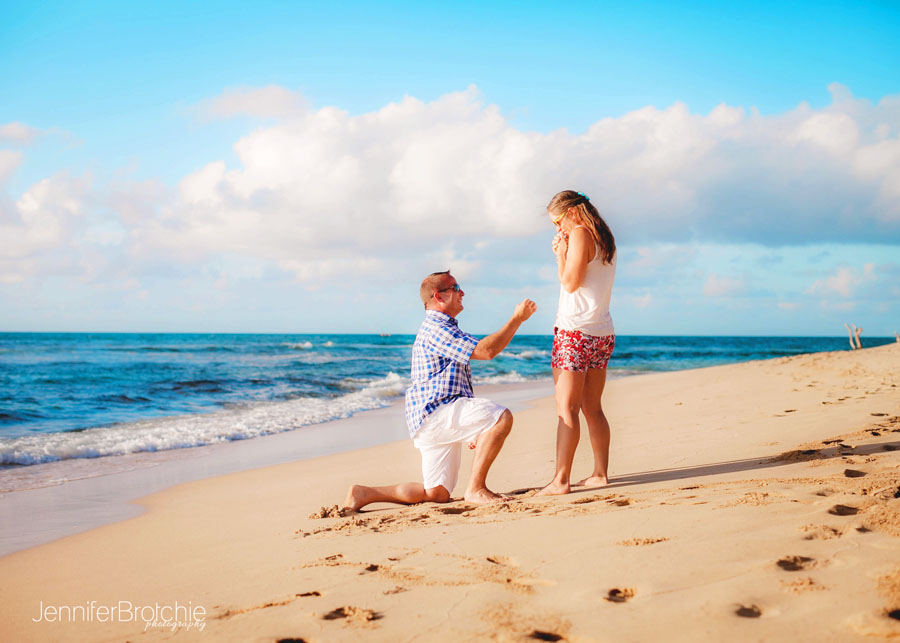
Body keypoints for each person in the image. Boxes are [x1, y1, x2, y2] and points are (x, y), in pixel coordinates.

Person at [343, 271, 537, 511]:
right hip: (437, 413)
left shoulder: (443, 327)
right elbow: (486, 351)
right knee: (500, 418)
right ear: (439, 296)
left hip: (428, 419)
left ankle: (364, 494)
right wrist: (517, 319)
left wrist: (475, 428)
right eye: (455, 288)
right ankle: (476, 489)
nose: (462, 292)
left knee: (436, 494)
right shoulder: (437, 328)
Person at [537, 190, 617, 496]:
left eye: (558, 221)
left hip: (575, 332)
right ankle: (600, 474)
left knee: (566, 408)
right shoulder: (604, 237)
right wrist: (565, 252)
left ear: (572, 212)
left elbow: (569, 283)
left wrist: (560, 254)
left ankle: (560, 480)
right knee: (592, 408)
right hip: (600, 331)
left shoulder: (581, 233)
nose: (558, 228)